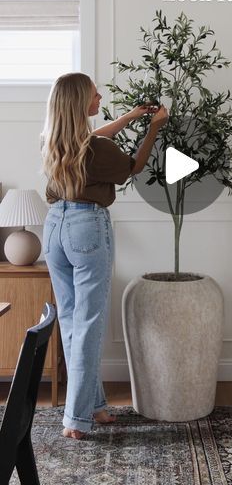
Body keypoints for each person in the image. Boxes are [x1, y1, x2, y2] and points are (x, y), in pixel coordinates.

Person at [41, 72, 168, 439]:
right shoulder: (96, 150)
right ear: (81, 103)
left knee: (71, 320)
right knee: (90, 324)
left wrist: (128, 117)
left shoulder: (56, 142)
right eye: (93, 93)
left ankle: (93, 406)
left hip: (54, 228)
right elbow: (133, 167)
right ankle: (75, 418)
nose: (99, 95)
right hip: (86, 228)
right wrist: (154, 127)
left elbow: (94, 138)